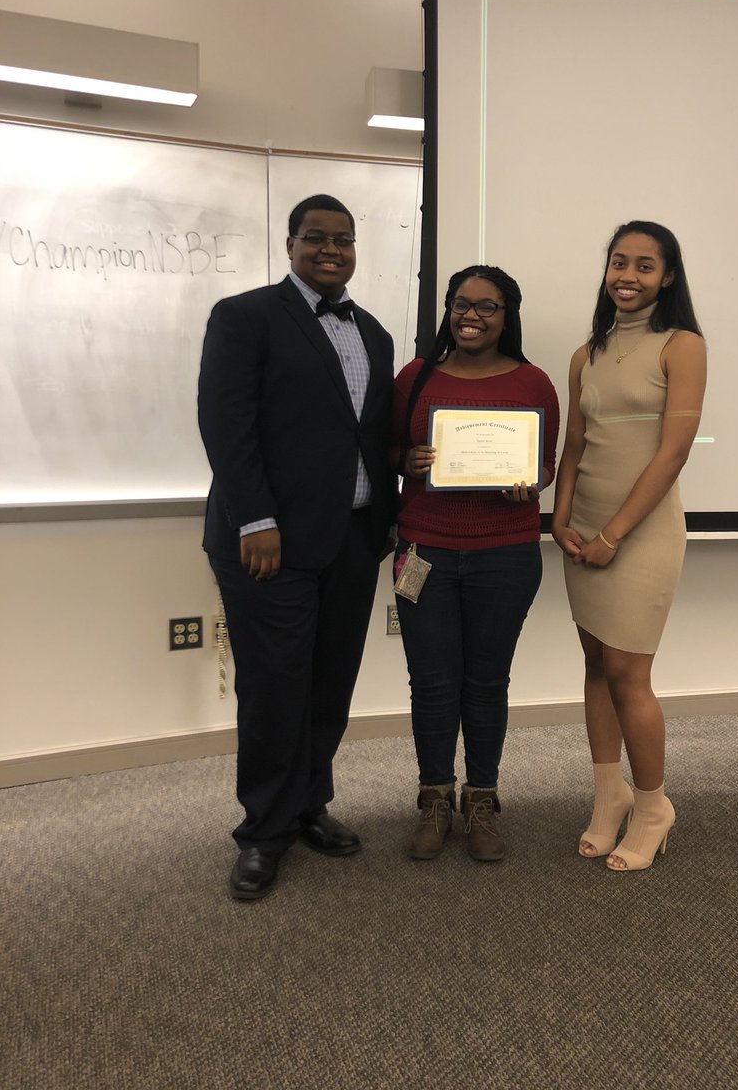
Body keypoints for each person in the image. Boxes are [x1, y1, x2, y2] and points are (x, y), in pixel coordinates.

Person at [198, 194, 396, 900]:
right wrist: (255, 520)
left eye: (343, 239)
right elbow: (226, 423)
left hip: (350, 538)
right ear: (290, 245)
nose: (331, 250)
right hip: (269, 543)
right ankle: (262, 833)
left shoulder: (374, 334)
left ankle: (309, 805)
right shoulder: (245, 316)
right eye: (316, 238)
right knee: (275, 686)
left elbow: (366, 436)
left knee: (328, 684)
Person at [552, 221, 706, 872]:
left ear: (667, 277)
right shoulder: (585, 354)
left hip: (641, 533)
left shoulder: (684, 346)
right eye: (619, 262)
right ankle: (607, 796)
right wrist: (559, 519)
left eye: (645, 266)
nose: (628, 276)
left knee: (627, 674)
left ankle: (652, 807)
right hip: (583, 531)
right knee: (594, 663)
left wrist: (615, 534)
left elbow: (672, 455)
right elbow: (576, 446)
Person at [392, 265, 559, 861]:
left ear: (507, 315)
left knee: (487, 682)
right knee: (431, 684)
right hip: (423, 551)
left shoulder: (534, 382)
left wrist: (530, 484)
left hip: (506, 554)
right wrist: (406, 459)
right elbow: (387, 446)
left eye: (487, 307)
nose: (472, 315)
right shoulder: (415, 376)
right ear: (447, 309)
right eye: (461, 304)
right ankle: (434, 795)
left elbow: (547, 464)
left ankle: (481, 797)